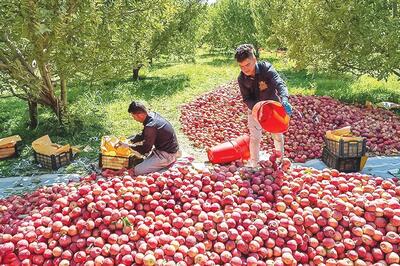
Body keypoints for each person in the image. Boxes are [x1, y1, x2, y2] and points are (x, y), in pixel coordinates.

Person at [235, 44, 292, 167]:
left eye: (247, 64)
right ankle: (254, 164)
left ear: (254, 59)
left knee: (277, 133)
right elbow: (246, 98)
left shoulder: (266, 68)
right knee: (255, 137)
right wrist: (257, 108)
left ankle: (280, 160)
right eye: (241, 66)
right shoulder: (241, 79)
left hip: (272, 106)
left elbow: (279, 83)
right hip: (255, 110)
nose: (245, 69)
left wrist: (284, 98)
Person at [123, 101, 180, 175]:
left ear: (140, 115)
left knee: (138, 170)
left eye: (134, 117)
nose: (134, 119)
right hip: (162, 149)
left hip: (167, 155)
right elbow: (143, 135)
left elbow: (145, 149)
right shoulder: (152, 115)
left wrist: (129, 146)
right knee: (133, 140)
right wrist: (129, 140)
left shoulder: (150, 126)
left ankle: (168, 162)